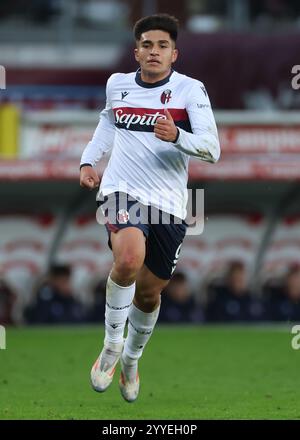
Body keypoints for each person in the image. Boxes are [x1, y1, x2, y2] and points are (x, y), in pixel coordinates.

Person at [79, 13, 220, 402]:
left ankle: (131, 359)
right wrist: (89, 160)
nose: (153, 52)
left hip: (170, 205)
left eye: (161, 46)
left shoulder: (190, 91)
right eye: (146, 45)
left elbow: (213, 149)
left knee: (149, 294)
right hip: (122, 190)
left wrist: (178, 136)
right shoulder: (117, 85)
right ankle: (110, 346)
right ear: (136, 51)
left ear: (174, 53)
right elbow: (108, 122)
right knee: (127, 259)